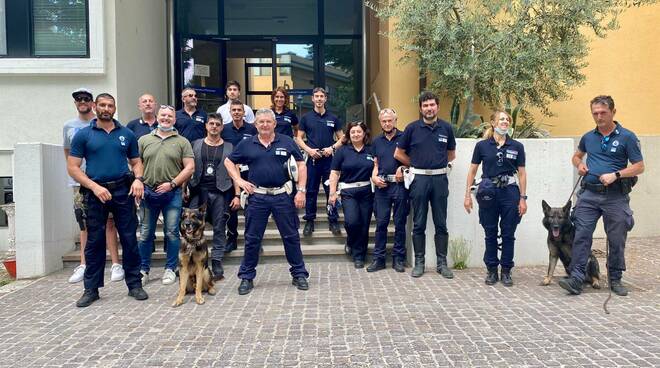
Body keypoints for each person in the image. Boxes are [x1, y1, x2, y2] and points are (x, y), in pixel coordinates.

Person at [67, 93, 147, 307]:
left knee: (130, 239)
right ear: (95, 106)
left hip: (123, 190)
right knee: (95, 241)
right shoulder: (83, 135)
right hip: (95, 192)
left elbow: (136, 162)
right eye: (102, 105)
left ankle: (135, 285)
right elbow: (73, 167)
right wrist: (93, 186)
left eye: (110, 105)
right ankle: (91, 289)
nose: (106, 108)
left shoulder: (127, 134)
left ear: (114, 108)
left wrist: (138, 179)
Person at [559, 95, 644, 296]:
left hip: (615, 196)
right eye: (595, 113)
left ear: (613, 112)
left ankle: (615, 278)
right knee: (581, 235)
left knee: (616, 238)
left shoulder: (627, 137)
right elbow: (577, 156)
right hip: (589, 194)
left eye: (603, 112)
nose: (598, 117)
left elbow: (639, 167)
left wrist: (616, 175)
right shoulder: (588, 137)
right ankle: (577, 278)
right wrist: (579, 164)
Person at [224, 108, 309, 295]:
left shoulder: (287, 141)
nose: (264, 125)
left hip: (282, 196)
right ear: (255, 124)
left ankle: (299, 274)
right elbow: (229, 162)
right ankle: (246, 277)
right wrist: (239, 181)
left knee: (291, 237)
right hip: (257, 197)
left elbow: (301, 164)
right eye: (261, 122)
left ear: (274, 124)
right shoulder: (247, 143)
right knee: (252, 239)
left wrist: (301, 191)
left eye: (268, 122)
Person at [64, 88, 124, 284]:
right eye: (78, 99)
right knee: (86, 227)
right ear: (96, 107)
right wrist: (85, 181)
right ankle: (84, 266)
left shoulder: (120, 131)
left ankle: (116, 264)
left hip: (114, 187)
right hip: (86, 185)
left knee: (110, 224)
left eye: (86, 99)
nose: (82, 102)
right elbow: (70, 160)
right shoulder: (74, 129)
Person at [394, 91, 455, 279]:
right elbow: (398, 153)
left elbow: (451, 154)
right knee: (419, 223)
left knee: (441, 223)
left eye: (432, 105)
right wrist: (414, 164)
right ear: (421, 108)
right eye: (425, 105)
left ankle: (442, 263)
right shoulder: (412, 128)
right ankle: (419, 262)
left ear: (437, 106)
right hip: (418, 180)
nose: (429, 108)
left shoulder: (446, 128)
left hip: (439, 180)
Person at [464, 111, 527, 286]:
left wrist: (523, 198)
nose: (505, 122)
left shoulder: (517, 146)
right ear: (493, 123)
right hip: (488, 193)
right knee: (490, 232)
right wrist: (467, 195)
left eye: (508, 119)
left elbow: (521, 174)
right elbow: (472, 171)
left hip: (510, 193)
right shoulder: (482, 146)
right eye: (502, 119)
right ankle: (492, 270)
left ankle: (506, 270)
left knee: (508, 233)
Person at [137, 105, 195, 286]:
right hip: (148, 192)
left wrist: (172, 184)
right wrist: (137, 182)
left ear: (174, 119)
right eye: (163, 115)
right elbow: (135, 163)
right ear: (157, 117)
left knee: (172, 233)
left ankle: (170, 268)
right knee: (146, 233)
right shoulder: (144, 140)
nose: (166, 119)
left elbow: (190, 167)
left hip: (172, 193)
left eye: (170, 116)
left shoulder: (182, 142)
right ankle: (143, 269)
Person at [188, 113, 239, 281]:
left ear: (222, 127)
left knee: (219, 227)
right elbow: (187, 167)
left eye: (218, 124)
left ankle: (216, 260)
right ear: (206, 125)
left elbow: (235, 171)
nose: (214, 127)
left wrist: (237, 194)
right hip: (198, 190)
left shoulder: (230, 147)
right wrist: (183, 189)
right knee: (194, 228)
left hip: (221, 191)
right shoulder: (195, 144)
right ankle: (195, 260)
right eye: (211, 123)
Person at [295, 87, 343, 237]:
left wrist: (332, 148)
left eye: (322, 96)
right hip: (313, 160)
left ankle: (333, 220)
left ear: (325, 99)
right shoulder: (306, 118)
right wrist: (309, 150)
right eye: (316, 96)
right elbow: (298, 138)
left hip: (329, 161)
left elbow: (343, 138)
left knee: (331, 190)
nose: (319, 99)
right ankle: (309, 220)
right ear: (312, 99)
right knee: (311, 191)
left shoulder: (333, 118)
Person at [329, 121, 374, 268]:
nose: (356, 134)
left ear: (364, 134)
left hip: (367, 191)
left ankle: (359, 255)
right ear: (349, 134)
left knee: (364, 224)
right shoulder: (342, 151)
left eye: (359, 132)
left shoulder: (371, 149)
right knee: (352, 222)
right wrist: (332, 193)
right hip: (348, 192)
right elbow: (335, 173)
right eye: (353, 132)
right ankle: (351, 241)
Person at [369, 108, 409, 272]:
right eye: (384, 121)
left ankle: (398, 259)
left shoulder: (405, 137)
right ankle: (379, 259)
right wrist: (374, 177)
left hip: (399, 186)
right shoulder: (376, 141)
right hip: (382, 187)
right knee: (381, 223)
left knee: (400, 223)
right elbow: (375, 164)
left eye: (389, 120)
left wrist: (404, 167)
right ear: (380, 122)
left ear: (395, 120)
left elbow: (412, 160)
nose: (387, 123)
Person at [221, 100, 258, 253]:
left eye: (239, 110)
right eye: (234, 110)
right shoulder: (224, 130)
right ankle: (232, 238)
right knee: (232, 207)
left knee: (253, 208)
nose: (236, 112)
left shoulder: (252, 129)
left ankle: (254, 239)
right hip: (230, 173)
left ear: (244, 112)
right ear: (230, 112)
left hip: (249, 172)